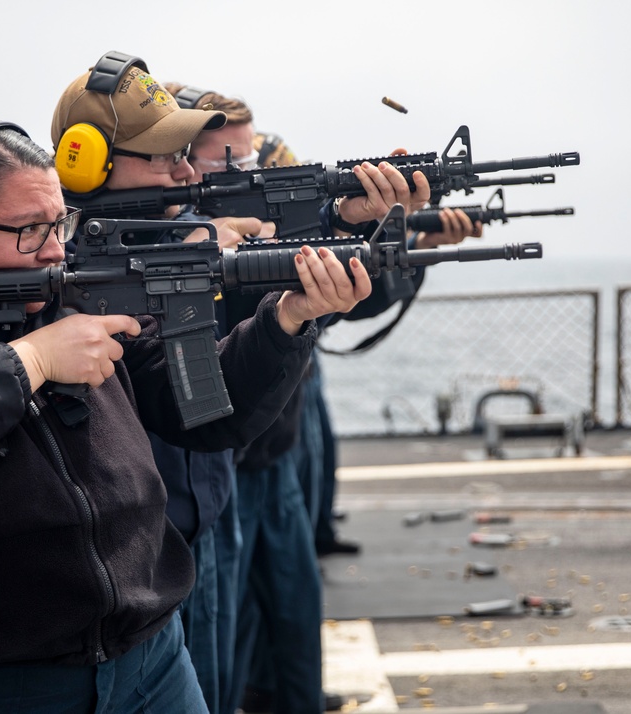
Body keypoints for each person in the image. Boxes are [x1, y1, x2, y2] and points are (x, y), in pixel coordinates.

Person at [0, 112, 371, 713]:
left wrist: (286, 320)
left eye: (58, 222)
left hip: (149, 660)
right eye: (28, 230)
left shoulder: (64, 293)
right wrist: (31, 360)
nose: (54, 248)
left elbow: (204, 411)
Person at [169, 85, 484, 714]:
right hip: (223, 461)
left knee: (290, 606)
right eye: (227, 161)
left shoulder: (234, 224)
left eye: (250, 160)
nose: (248, 172)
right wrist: (212, 252)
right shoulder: (179, 239)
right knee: (220, 643)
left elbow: (346, 304)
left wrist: (378, 236)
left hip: (267, 450)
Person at [50, 53, 284, 714]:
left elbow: (209, 397)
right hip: (139, 557)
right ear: (83, 161)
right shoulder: (60, 280)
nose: (184, 172)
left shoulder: (171, 240)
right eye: (162, 158)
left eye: (184, 155)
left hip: (200, 511)